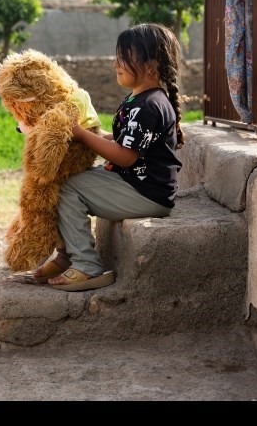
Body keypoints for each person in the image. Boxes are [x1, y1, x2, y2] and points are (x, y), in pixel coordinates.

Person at [41, 22, 185, 292]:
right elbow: (123, 141)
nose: (115, 63)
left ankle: (86, 265)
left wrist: (83, 136)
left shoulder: (150, 105)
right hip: (135, 186)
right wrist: (90, 133)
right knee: (62, 178)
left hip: (145, 193)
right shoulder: (139, 100)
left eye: (124, 57)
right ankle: (67, 254)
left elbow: (126, 156)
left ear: (151, 64)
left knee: (67, 188)